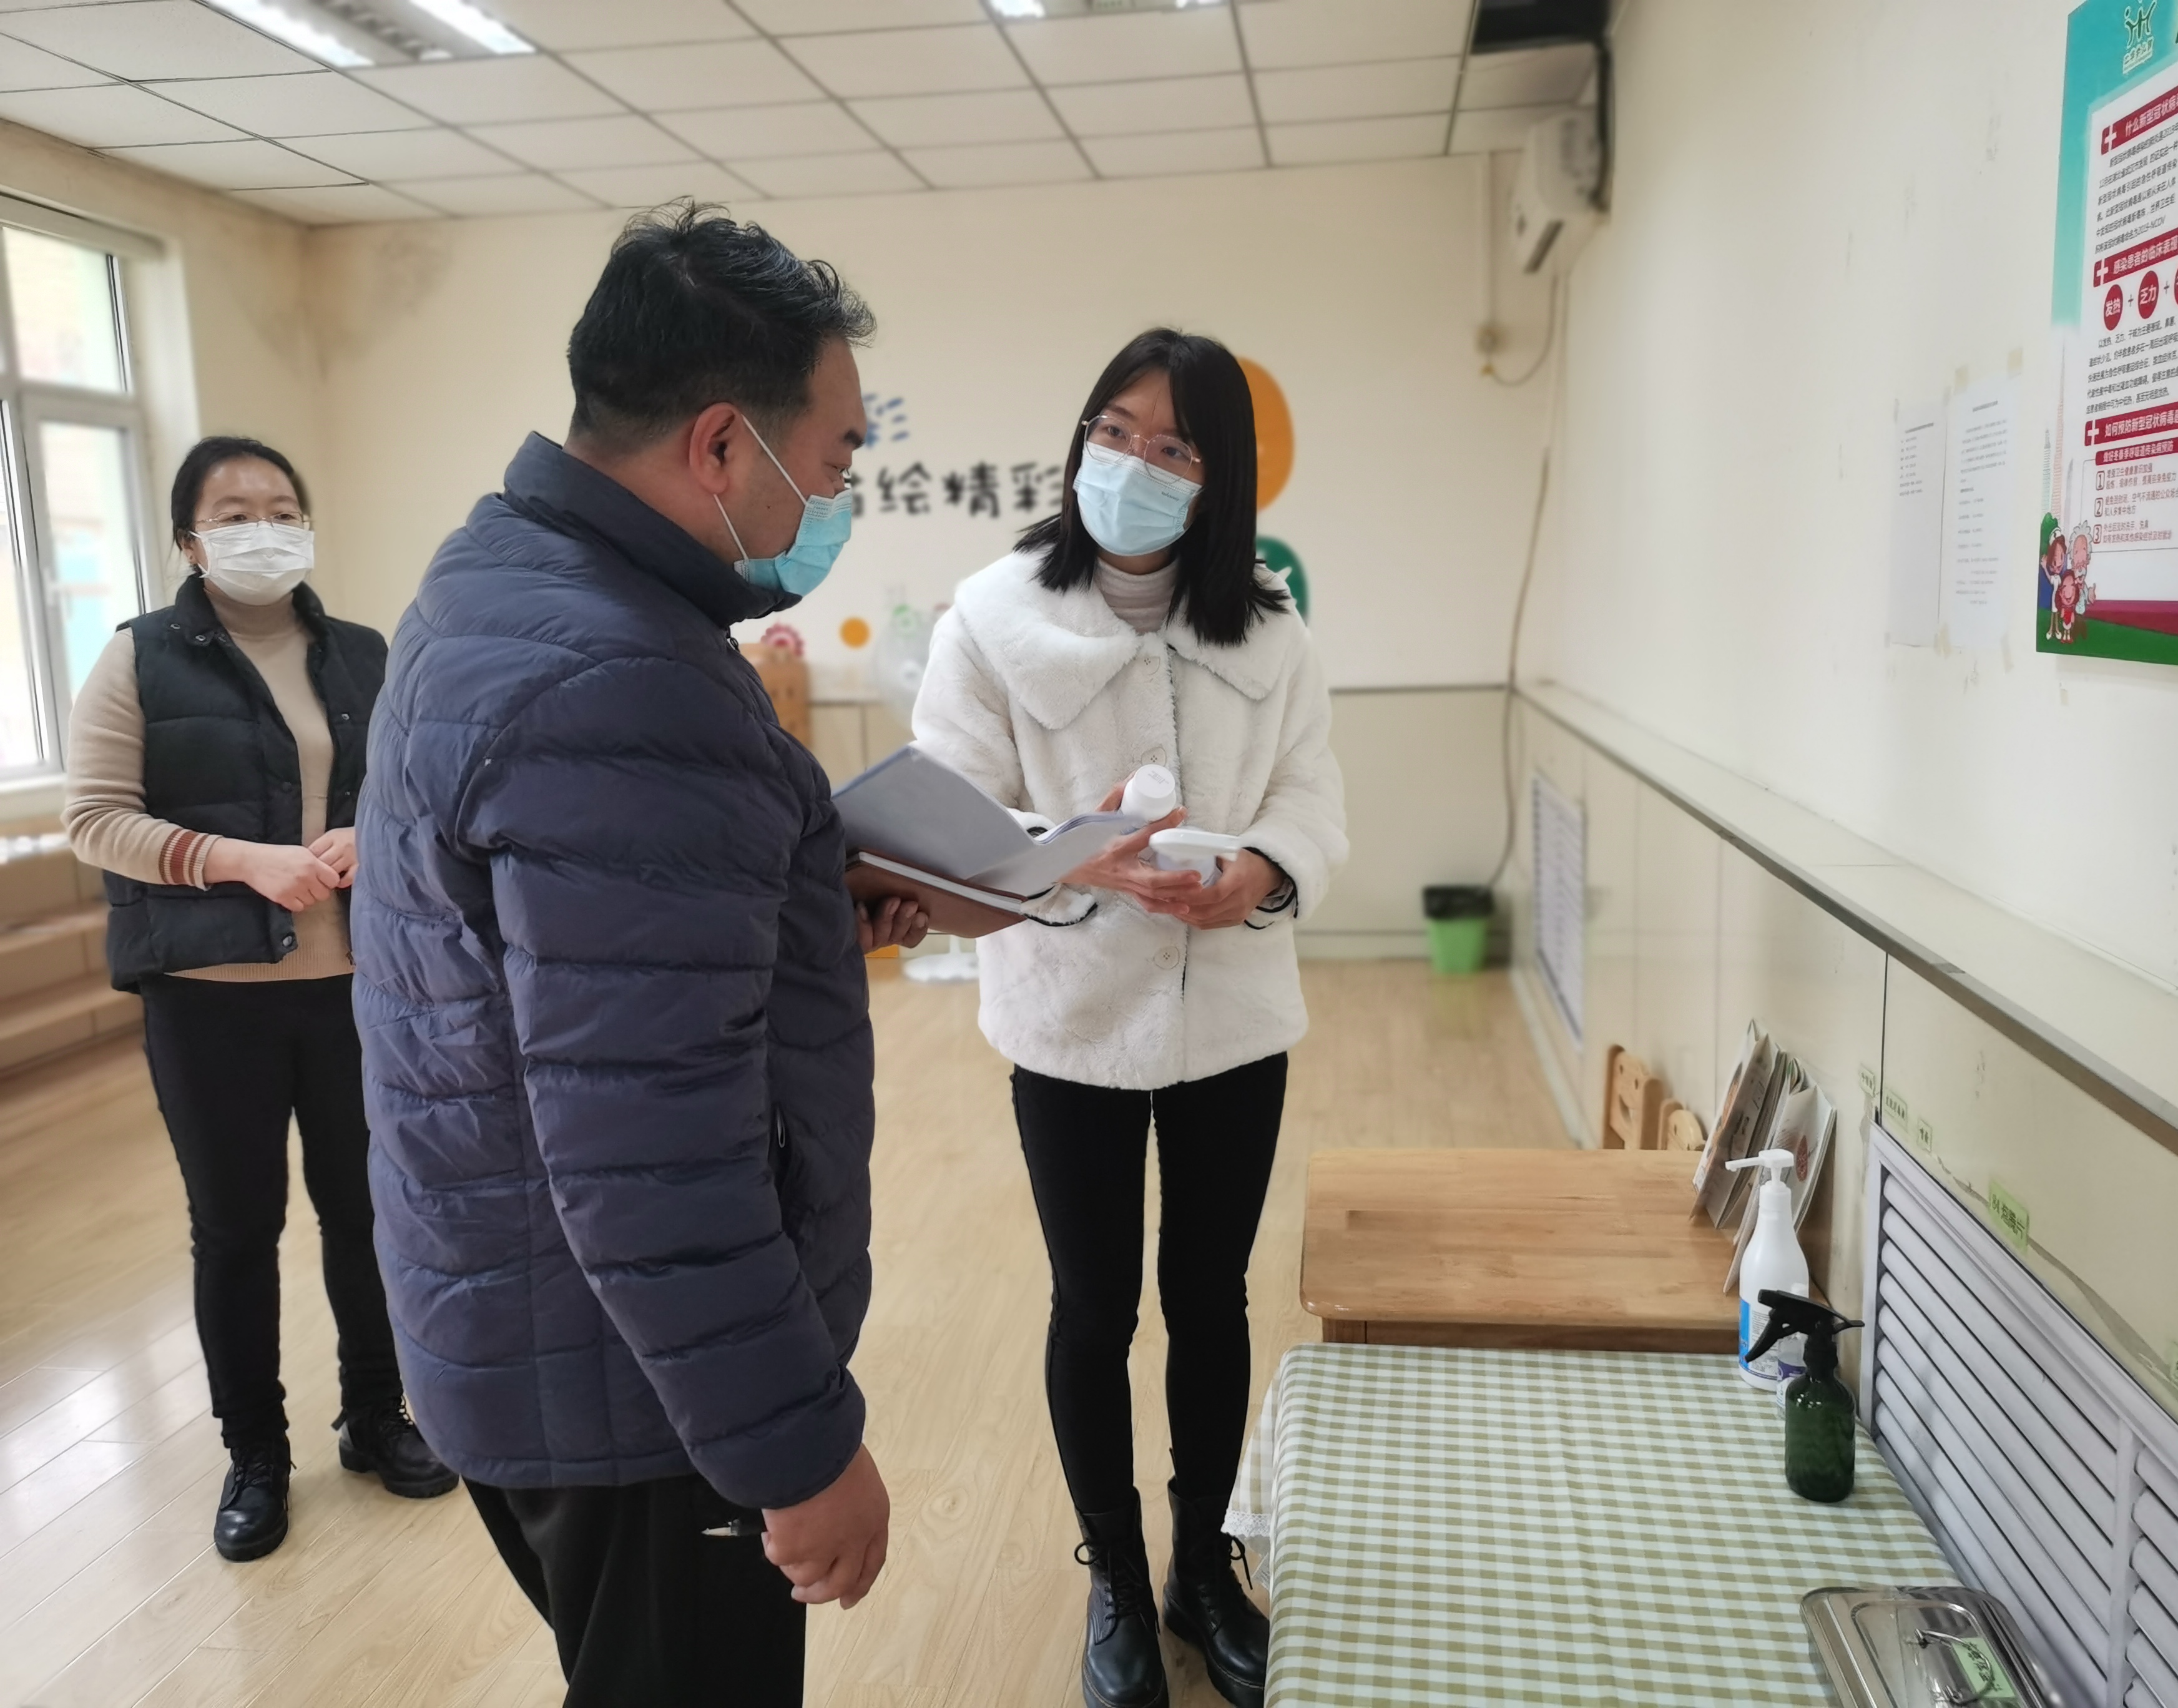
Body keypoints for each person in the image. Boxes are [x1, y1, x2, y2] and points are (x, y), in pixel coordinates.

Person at [353, 203, 921, 1707]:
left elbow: (562, 960)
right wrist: (794, 1449)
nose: (841, 494)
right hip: (638, 1398)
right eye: (837, 460)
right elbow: (648, 1144)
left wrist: (809, 897)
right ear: (724, 445)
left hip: (520, 1324)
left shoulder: (500, 582)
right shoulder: (624, 674)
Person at [911, 328, 1348, 1708]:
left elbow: (1312, 795)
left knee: (1210, 1301)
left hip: (1233, 1017)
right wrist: (1076, 857)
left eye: (1173, 447)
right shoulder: (992, 617)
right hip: (1069, 1017)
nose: (1133, 464)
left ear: (1221, 479)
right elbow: (945, 814)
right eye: (1114, 431)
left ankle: (1200, 1569)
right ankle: (1113, 1573)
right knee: (1092, 1306)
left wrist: (1266, 869)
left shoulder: (1271, 629)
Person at [62, 435, 454, 1563]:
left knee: (367, 1213)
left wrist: (371, 835)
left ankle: (375, 1415)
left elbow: (415, 793)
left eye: (282, 508)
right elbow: (95, 819)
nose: (262, 529)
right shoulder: (139, 657)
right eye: (234, 514)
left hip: (358, 986)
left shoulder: (366, 653)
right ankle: (256, 1453)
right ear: (189, 541)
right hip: (208, 997)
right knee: (236, 1230)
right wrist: (238, 861)